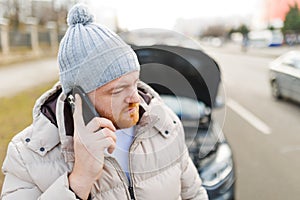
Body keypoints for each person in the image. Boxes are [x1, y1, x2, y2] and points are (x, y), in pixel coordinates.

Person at [1, 4, 208, 200]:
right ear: (78, 99)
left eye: (134, 83)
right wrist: (79, 180)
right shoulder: (26, 155)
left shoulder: (165, 124)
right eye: (118, 90)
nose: (135, 98)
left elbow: (195, 193)